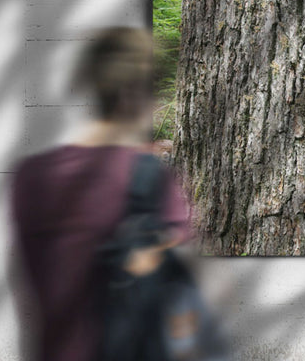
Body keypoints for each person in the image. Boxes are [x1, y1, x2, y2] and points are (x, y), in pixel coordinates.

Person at [10, 27, 190, 361]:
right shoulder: (149, 177)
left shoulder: (30, 176)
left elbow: (30, 292)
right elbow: (185, 296)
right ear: (136, 94)